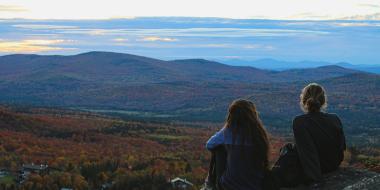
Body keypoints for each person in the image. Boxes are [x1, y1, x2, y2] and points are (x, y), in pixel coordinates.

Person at [273, 83, 346, 187]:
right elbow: (341, 147)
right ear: (323, 101)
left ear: (304, 101)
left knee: (287, 150)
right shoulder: (335, 118)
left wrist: (315, 181)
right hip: (334, 164)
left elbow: (308, 152)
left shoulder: (300, 122)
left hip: (318, 168)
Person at [202, 99, 270, 190]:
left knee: (219, 149)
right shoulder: (259, 135)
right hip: (255, 185)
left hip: (229, 185)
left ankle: (210, 185)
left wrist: (226, 127)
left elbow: (209, 144)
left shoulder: (229, 132)